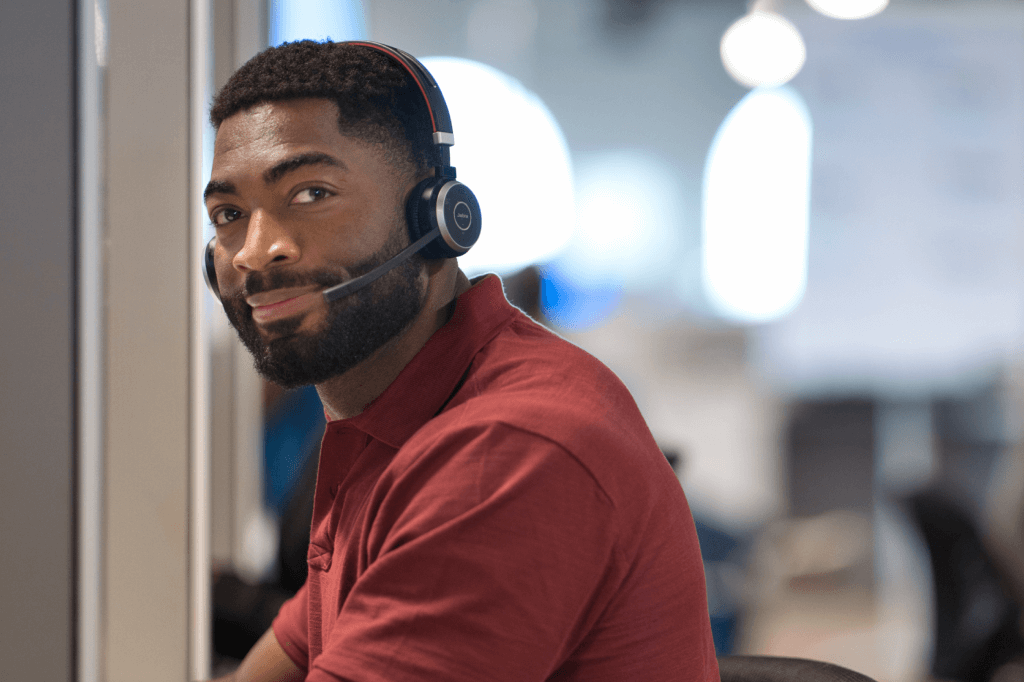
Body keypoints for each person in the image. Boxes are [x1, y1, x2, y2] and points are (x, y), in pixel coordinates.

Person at [202, 39, 718, 682]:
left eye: (311, 194)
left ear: (441, 216)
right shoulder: (395, 415)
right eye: (228, 213)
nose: (255, 251)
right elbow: (288, 652)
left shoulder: (510, 451)